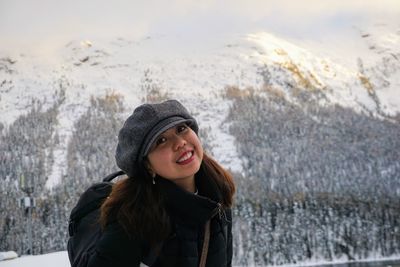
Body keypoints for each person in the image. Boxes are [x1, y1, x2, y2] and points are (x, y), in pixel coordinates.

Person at [87, 99, 236, 267]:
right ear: (147, 165)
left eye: (181, 129)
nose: (180, 142)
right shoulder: (132, 219)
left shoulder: (217, 199)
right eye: (161, 141)